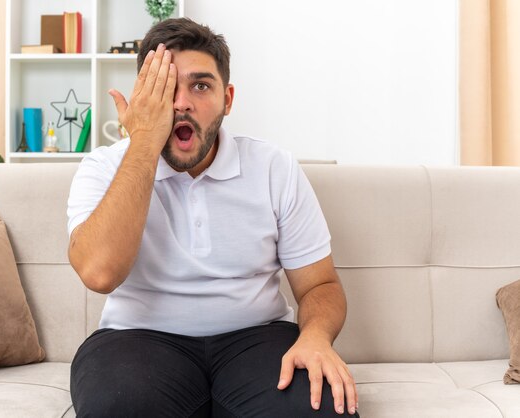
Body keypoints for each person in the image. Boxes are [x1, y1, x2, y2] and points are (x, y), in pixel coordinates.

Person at [67, 17, 359, 418]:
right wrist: (144, 146)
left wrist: (315, 337)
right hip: (135, 341)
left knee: (319, 409)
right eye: (166, 88)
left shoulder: (274, 167)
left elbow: (320, 285)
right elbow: (99, 274)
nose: (182, 102)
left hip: (258, 340)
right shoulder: (103, 167)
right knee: (117, 408)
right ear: (142, 98)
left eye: (200, 86)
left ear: (227, 99)